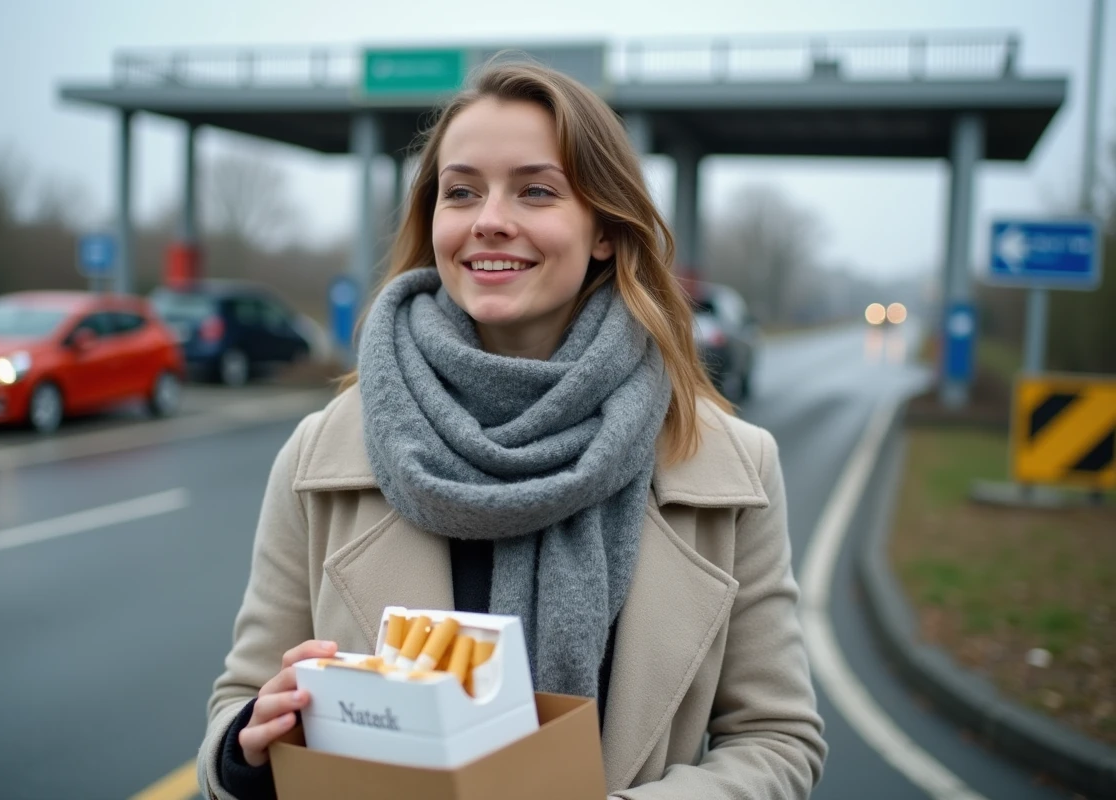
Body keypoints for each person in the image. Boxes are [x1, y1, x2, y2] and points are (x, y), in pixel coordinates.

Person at [197, 60, 827, 800]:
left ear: (602, 229)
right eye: (461, 191)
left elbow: (777, 741)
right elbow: (235, 710)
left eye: (535, 190)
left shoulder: (732, 467)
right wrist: (249, 747)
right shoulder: (322, 453)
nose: (489, 217)